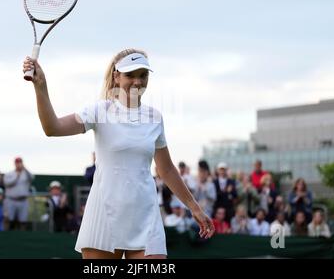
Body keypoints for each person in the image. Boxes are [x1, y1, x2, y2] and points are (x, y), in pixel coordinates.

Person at [22, 48, 214, 259]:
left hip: (146, 214)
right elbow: (53, 128)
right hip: (104, 214)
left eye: (143, 75)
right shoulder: (99, 111)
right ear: (116, 76)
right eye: (130, 75)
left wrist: (194, 207)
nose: (137, 82)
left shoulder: (155, 118)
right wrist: (41, 88)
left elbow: (166, 169)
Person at [3, 157, 33, 230]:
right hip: (11, 200)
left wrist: (24, 168)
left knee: (23, 222)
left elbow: (32, 177)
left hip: (23, 200)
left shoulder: (26, 173)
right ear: (14, 164)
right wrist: (17, 176)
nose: (18, 164)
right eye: (17, 163)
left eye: (20, 162)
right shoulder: (9, 174)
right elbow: (7, 183)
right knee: (9, 220)